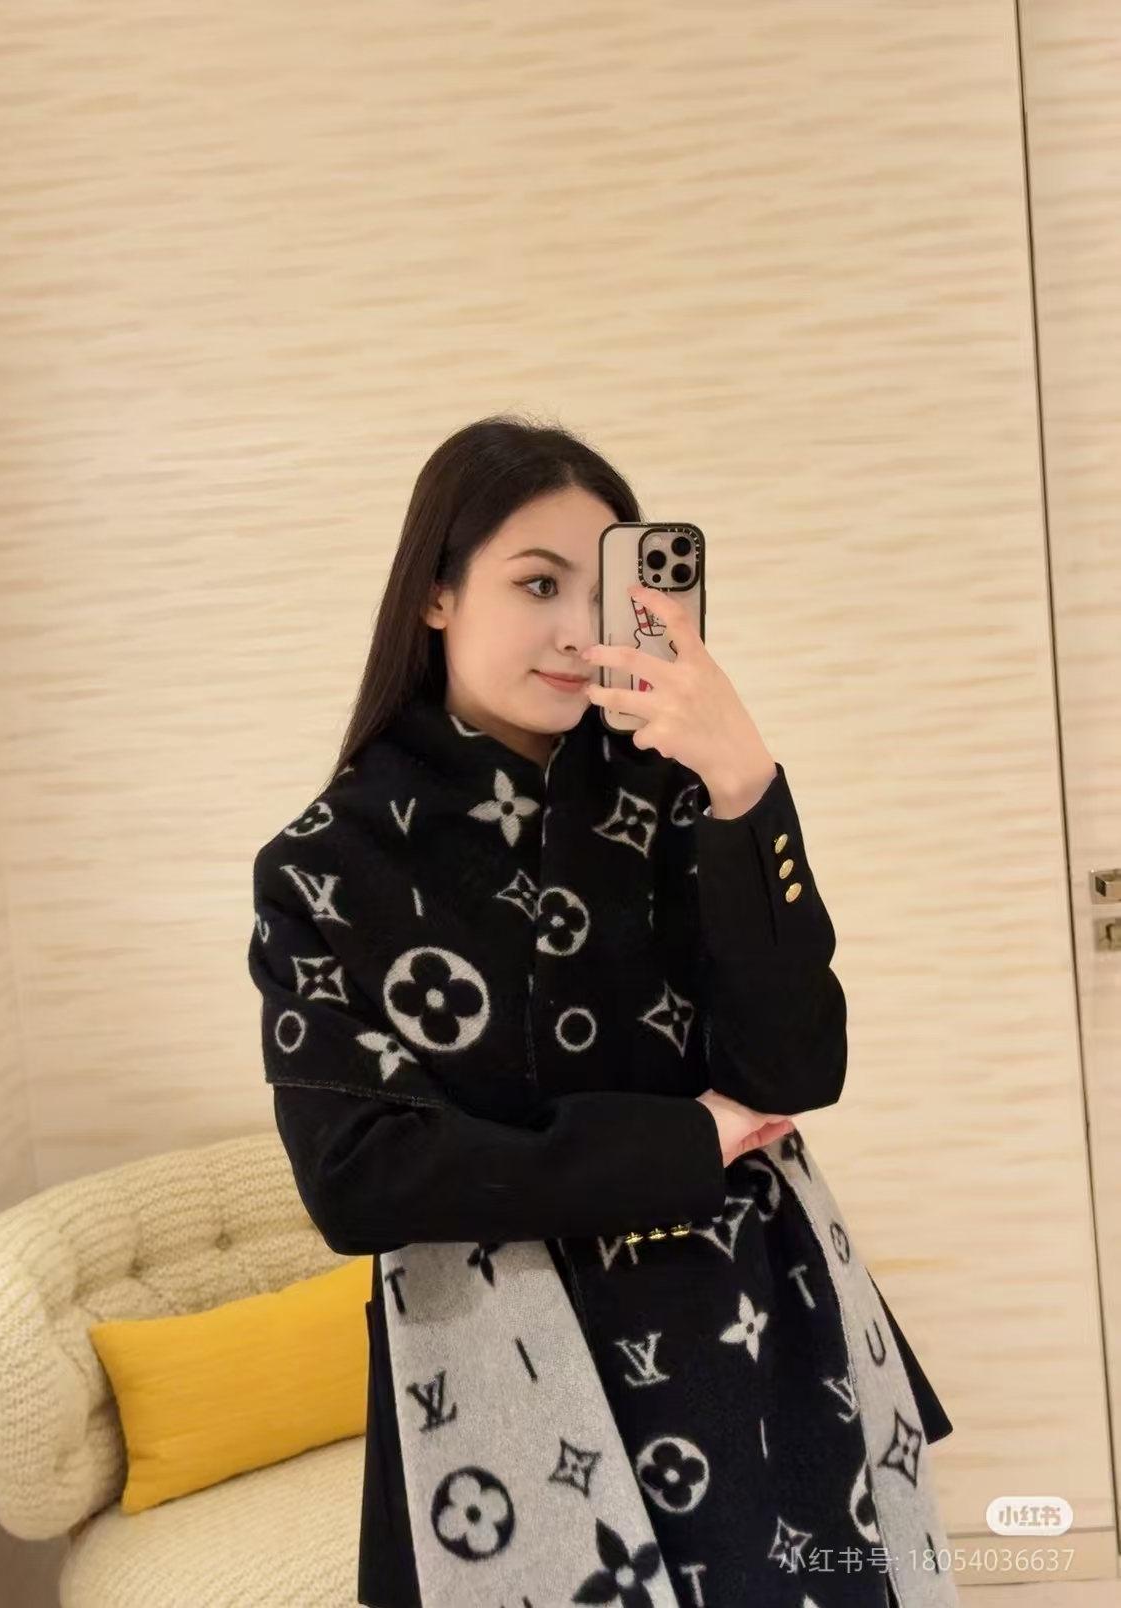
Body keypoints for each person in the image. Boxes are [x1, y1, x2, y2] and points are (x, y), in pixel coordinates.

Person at [248, 415, 952, 1608]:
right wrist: (683, 1143)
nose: (581, 629)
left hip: (750, 1323)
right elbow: (356, 1178)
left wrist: (747, 789)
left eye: (605, 588)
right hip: (502, 1369)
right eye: (538, 584)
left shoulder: (682, 796)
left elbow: (797, 1062)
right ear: (435, 594)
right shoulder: (326, 865)